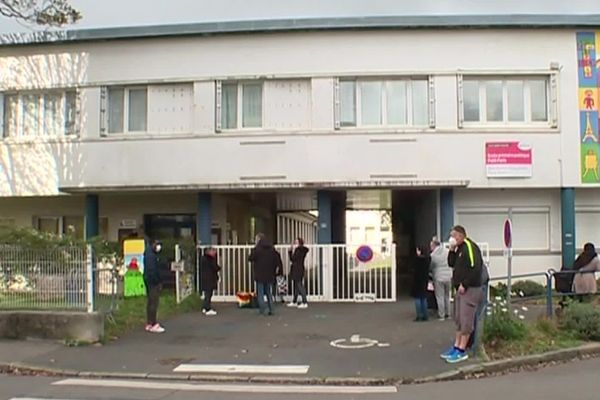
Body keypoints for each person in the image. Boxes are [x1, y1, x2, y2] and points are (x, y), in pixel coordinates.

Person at [440, 225, 484, 363]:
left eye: (454, 236)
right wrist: (451, 250)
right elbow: (451, 263)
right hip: (459, 290)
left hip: (470, 290)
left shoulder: (470, 247)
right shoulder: (458, 248)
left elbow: (475, 268)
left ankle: (462, 350)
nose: (452, 238)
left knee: (466, 320)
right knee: (459, 319)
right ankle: (456, 346)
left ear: (461, 235)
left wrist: (465, 284)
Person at [249, 233, 282, 316]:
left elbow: (250, 258)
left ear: (258, 240)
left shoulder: (257, 249)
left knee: (260, 292)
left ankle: (262, 309)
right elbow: (276, 259)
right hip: (270, 273)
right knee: (268, 292)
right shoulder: (272, 249)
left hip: (260, 273)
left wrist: (254, 248)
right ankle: (271, 309)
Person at [143, 239, 165, 333]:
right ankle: (153, 323)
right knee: (153, 302)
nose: (158, 247)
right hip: (153, 282)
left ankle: (149, 323)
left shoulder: (148, 254)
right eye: (157, 245)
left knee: (150, 302)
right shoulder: (151, 256)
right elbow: (152, 270)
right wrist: (158, 281)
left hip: (149, 280)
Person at [429, 237, 452, 321]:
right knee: (447, 296)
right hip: (448, 276)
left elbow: (431, 266)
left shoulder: (433, 255)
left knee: (440, 296)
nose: (430, 248)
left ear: (434, 245)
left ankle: (441, 315)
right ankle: (448, 314)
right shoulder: (447, 251)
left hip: (438, 277)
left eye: (431, 246)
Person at [287, 238, 310, 309]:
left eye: (296, 242)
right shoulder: (302, 250)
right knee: (297, 285)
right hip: (300, 268)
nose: (294, 244)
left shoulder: (298, 250)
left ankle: (304, 302)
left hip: (296, 269)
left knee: (299, 285)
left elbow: (293, 259)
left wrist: (290, 251)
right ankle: (294, 301)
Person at [411, 246, 431, 322]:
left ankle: (419, 315)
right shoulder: (428, 260)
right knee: (424, 298)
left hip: (417, 281)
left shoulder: (416, 260)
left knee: (417, 298)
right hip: (424, 280)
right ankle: (425, 315)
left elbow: (413, 269)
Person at [201, 247, 221, 316]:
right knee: (209, 294)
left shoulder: (204, 258)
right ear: (209, 252)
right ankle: (207, 308)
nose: (214, 253)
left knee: (207, 293)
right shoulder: (210, 259)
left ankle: (204, 307)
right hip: (209, 278)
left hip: (206, 278)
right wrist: (218, 267)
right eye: (213, 251)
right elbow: (215, 267)